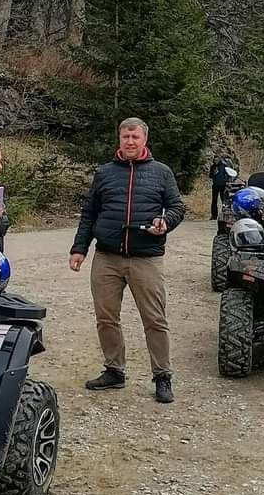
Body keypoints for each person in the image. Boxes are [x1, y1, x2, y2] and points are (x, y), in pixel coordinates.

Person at [70, 116, 185, 404]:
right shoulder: (105, 172)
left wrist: (165, 222)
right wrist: (79, 248)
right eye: (125, 137)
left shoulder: (161, 172)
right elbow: (89, 213)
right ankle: (114, 370)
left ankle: (162, 377)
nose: (130, 142)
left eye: (135, 137)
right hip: (107, 257)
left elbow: (176, 207)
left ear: (144, 139)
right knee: (106, 317)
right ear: (119, 139)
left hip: (146, 258)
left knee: (155, 319)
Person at [209, 154, 237, 221]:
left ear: (219, 159)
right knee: (214, 201)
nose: (216, 161)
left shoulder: (224, 166)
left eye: (217, 159)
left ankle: (224, 215)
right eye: (215, 159)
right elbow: (210, 176)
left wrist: (226, 181)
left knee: (224, 201)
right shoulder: (213, 167)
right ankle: (214, 216)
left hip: (223, 186)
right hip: (215, 185)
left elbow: (228, 175)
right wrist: (214, 174)